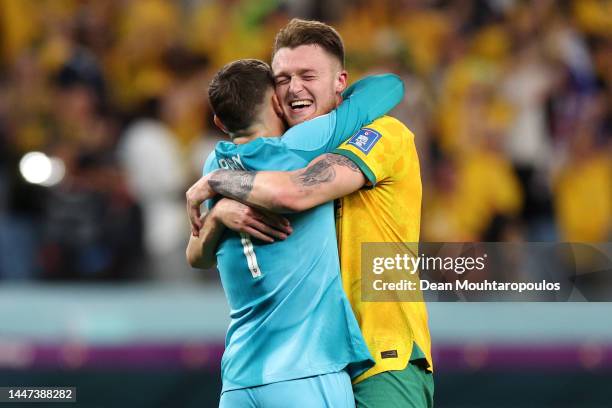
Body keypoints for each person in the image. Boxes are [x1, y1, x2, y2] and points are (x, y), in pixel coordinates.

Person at [187, 19, 434, 407]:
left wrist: (217, 180)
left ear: (340, 82)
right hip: (316, 362)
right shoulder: (282, 151)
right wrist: (218, 216)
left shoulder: (385, 134)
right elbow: (198, 255)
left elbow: (298, 193)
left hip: (383, 355)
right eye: (282, 78)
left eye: (308, 75)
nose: (294, 88)